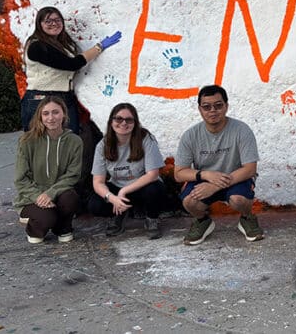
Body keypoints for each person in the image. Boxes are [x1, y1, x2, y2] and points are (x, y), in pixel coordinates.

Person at [174, 85, 262, 246]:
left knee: (238, 200)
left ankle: (247, 217)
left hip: (236, 177)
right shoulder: (190, 135)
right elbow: (179, 173)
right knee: (189, 201)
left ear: (226, 106)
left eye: (218, 105)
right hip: (205, 179)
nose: (212, 111)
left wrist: (215, 186)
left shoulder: (242, 130)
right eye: (206, 107)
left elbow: (250, 169)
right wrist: (205, 175)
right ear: (200, 109)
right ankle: (202, 221)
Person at [21, 6, 122, 134]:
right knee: (42, 141)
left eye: (57, 20)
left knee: (70, 139)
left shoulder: (62, 44)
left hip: (65, 97)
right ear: (39, 24)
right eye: (48, 21)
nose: (54, 24)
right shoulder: (36, 46)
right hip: (42, 99)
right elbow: (71, 64)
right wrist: (99, 47)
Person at [88, 103, 167, 239]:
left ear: (135, 123)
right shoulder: (103, 145)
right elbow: (98, 182)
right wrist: (112, 198)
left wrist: (124, 191)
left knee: (155, 190)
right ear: (111, 122)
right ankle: (118, 214)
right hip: (117, 186)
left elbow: (153, 174)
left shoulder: (145, 138)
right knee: (95, 205)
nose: (123, 123)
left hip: (142, 186)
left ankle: (152, 219)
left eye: (129, 120)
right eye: (118, 119)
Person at [14, 96, 83, 244]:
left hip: (59, 192)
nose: (51, 118)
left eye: (55, 112)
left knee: (71, 198)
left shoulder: (75, 141)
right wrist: (39, 197)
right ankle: (35, 227)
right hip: (32, 197)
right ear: (40, 116)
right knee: (45, 221)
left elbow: (73, 175)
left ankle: (63, 227)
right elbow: (20, 179)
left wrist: (51, 194)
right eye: (46, 113)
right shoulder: (27, 141)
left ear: (64, 114)